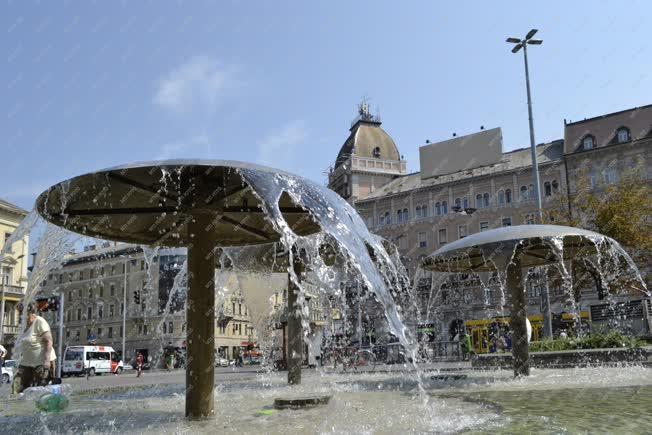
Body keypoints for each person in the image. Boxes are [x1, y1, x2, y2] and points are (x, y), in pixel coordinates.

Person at [16, 301, 53, 393]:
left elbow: (49, 341)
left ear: (30, 312)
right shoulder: (23, 325)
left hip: (40, 364)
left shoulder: (39, 321)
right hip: (25, 364)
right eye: (20, 312)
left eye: (22, 312)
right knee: (21, 391)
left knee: (41, 391)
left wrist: (47, 360)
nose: (20, 315)